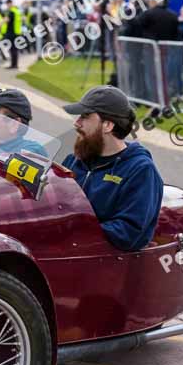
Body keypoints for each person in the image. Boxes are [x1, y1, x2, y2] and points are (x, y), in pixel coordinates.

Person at [61, 86, 164, 252]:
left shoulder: (140, 170)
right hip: (69, 253)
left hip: (104, 264)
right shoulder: (74, 160)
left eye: (85, 116)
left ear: (107, 125)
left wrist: (75, 230)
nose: (77, 122)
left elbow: (129, 232)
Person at [0, 0, 22, 69]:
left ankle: (14, 65)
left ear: (11, 3)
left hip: (12, 33)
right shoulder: (17, 11)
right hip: (17, 32)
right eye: (7, 3)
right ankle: (14, 64)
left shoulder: (12, 12)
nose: (8, 5)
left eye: (8, 3)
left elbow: (7, 20)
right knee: (14, 49)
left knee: (12, 49)